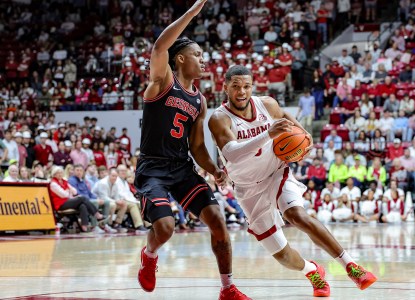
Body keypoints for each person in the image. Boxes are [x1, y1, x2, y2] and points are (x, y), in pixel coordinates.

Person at [209, 65, 376, 298]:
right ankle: (312, 270)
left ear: (252, 87)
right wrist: (268, 134)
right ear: (225, 87)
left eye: (246, 86)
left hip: (277, 171)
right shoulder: (219, 118)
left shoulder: (266, 104)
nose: (241, 92)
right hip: (248, 189)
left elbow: (285, 117)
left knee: (297, 215)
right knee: (282, 255)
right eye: (235, 86)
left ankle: (351, 266)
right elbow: (233, 153)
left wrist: (304, 134)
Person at [134, 1, 250, 299]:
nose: (203, 60)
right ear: (181, 59)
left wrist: (214, 169)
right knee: (166, 227)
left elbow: (197, 146)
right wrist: (192, 13)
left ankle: (227, 287)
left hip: (182, 168)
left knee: (218, 221)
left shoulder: (200, 100)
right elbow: (160, 47)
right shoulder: (162, 81)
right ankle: (149, 254)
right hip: (153, 168)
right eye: (198, 55)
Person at [49, 166, 105, 233]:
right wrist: (69, 190)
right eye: (58, 173)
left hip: (67, 201)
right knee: (82, 198)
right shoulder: (53, 184)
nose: (60, 174)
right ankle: (96, 214)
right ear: (54, 174)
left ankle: (84, 226)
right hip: (60, 204)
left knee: (82, 205)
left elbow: (75, 191)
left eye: (61, 172)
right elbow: (64, 195)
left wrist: (68, 190)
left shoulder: (64, 181)